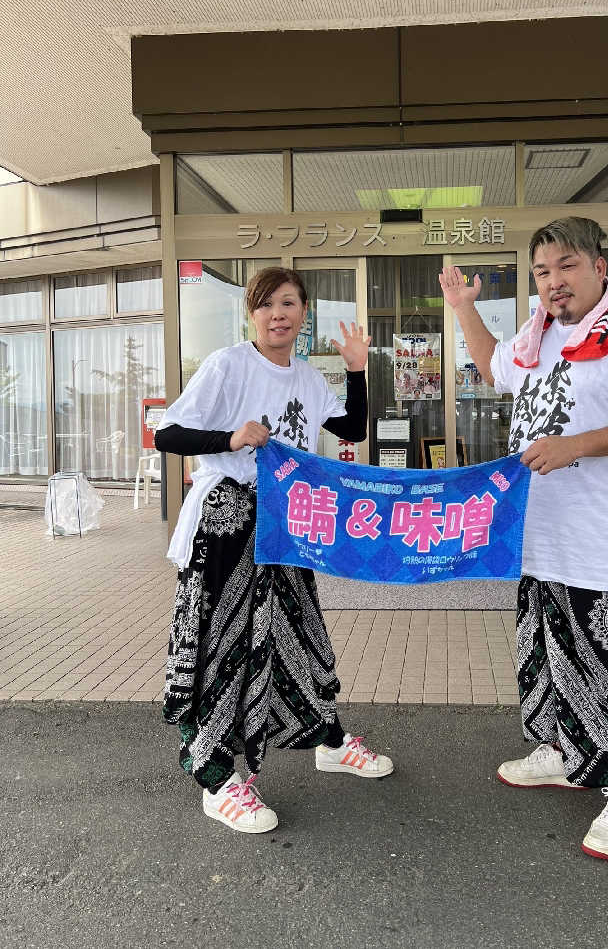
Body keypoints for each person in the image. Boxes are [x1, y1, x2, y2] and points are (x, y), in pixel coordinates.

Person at [439, 217, 608, 860]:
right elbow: (493, 366)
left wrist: (575, 445)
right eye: (543, 272)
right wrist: (464, 308)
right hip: (540, 535)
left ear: (601, 267)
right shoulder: (538, 339)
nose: (554, 282)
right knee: (547, 656)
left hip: (606, 541)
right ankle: (562, 751)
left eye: (567, 266)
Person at [154, 267, 393, 834]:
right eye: (266, 304)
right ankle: (214, 773)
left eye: (288, 303)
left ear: (303, 313)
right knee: (222, 641)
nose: (277, 313)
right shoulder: (228, 365)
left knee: (300, 633)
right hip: (227, 525)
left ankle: (327, 738)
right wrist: (230, 438)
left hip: (286, 524)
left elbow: (352, 424)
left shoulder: (308, 379)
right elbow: (169, 434)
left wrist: (358, 368)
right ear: (251, 314)